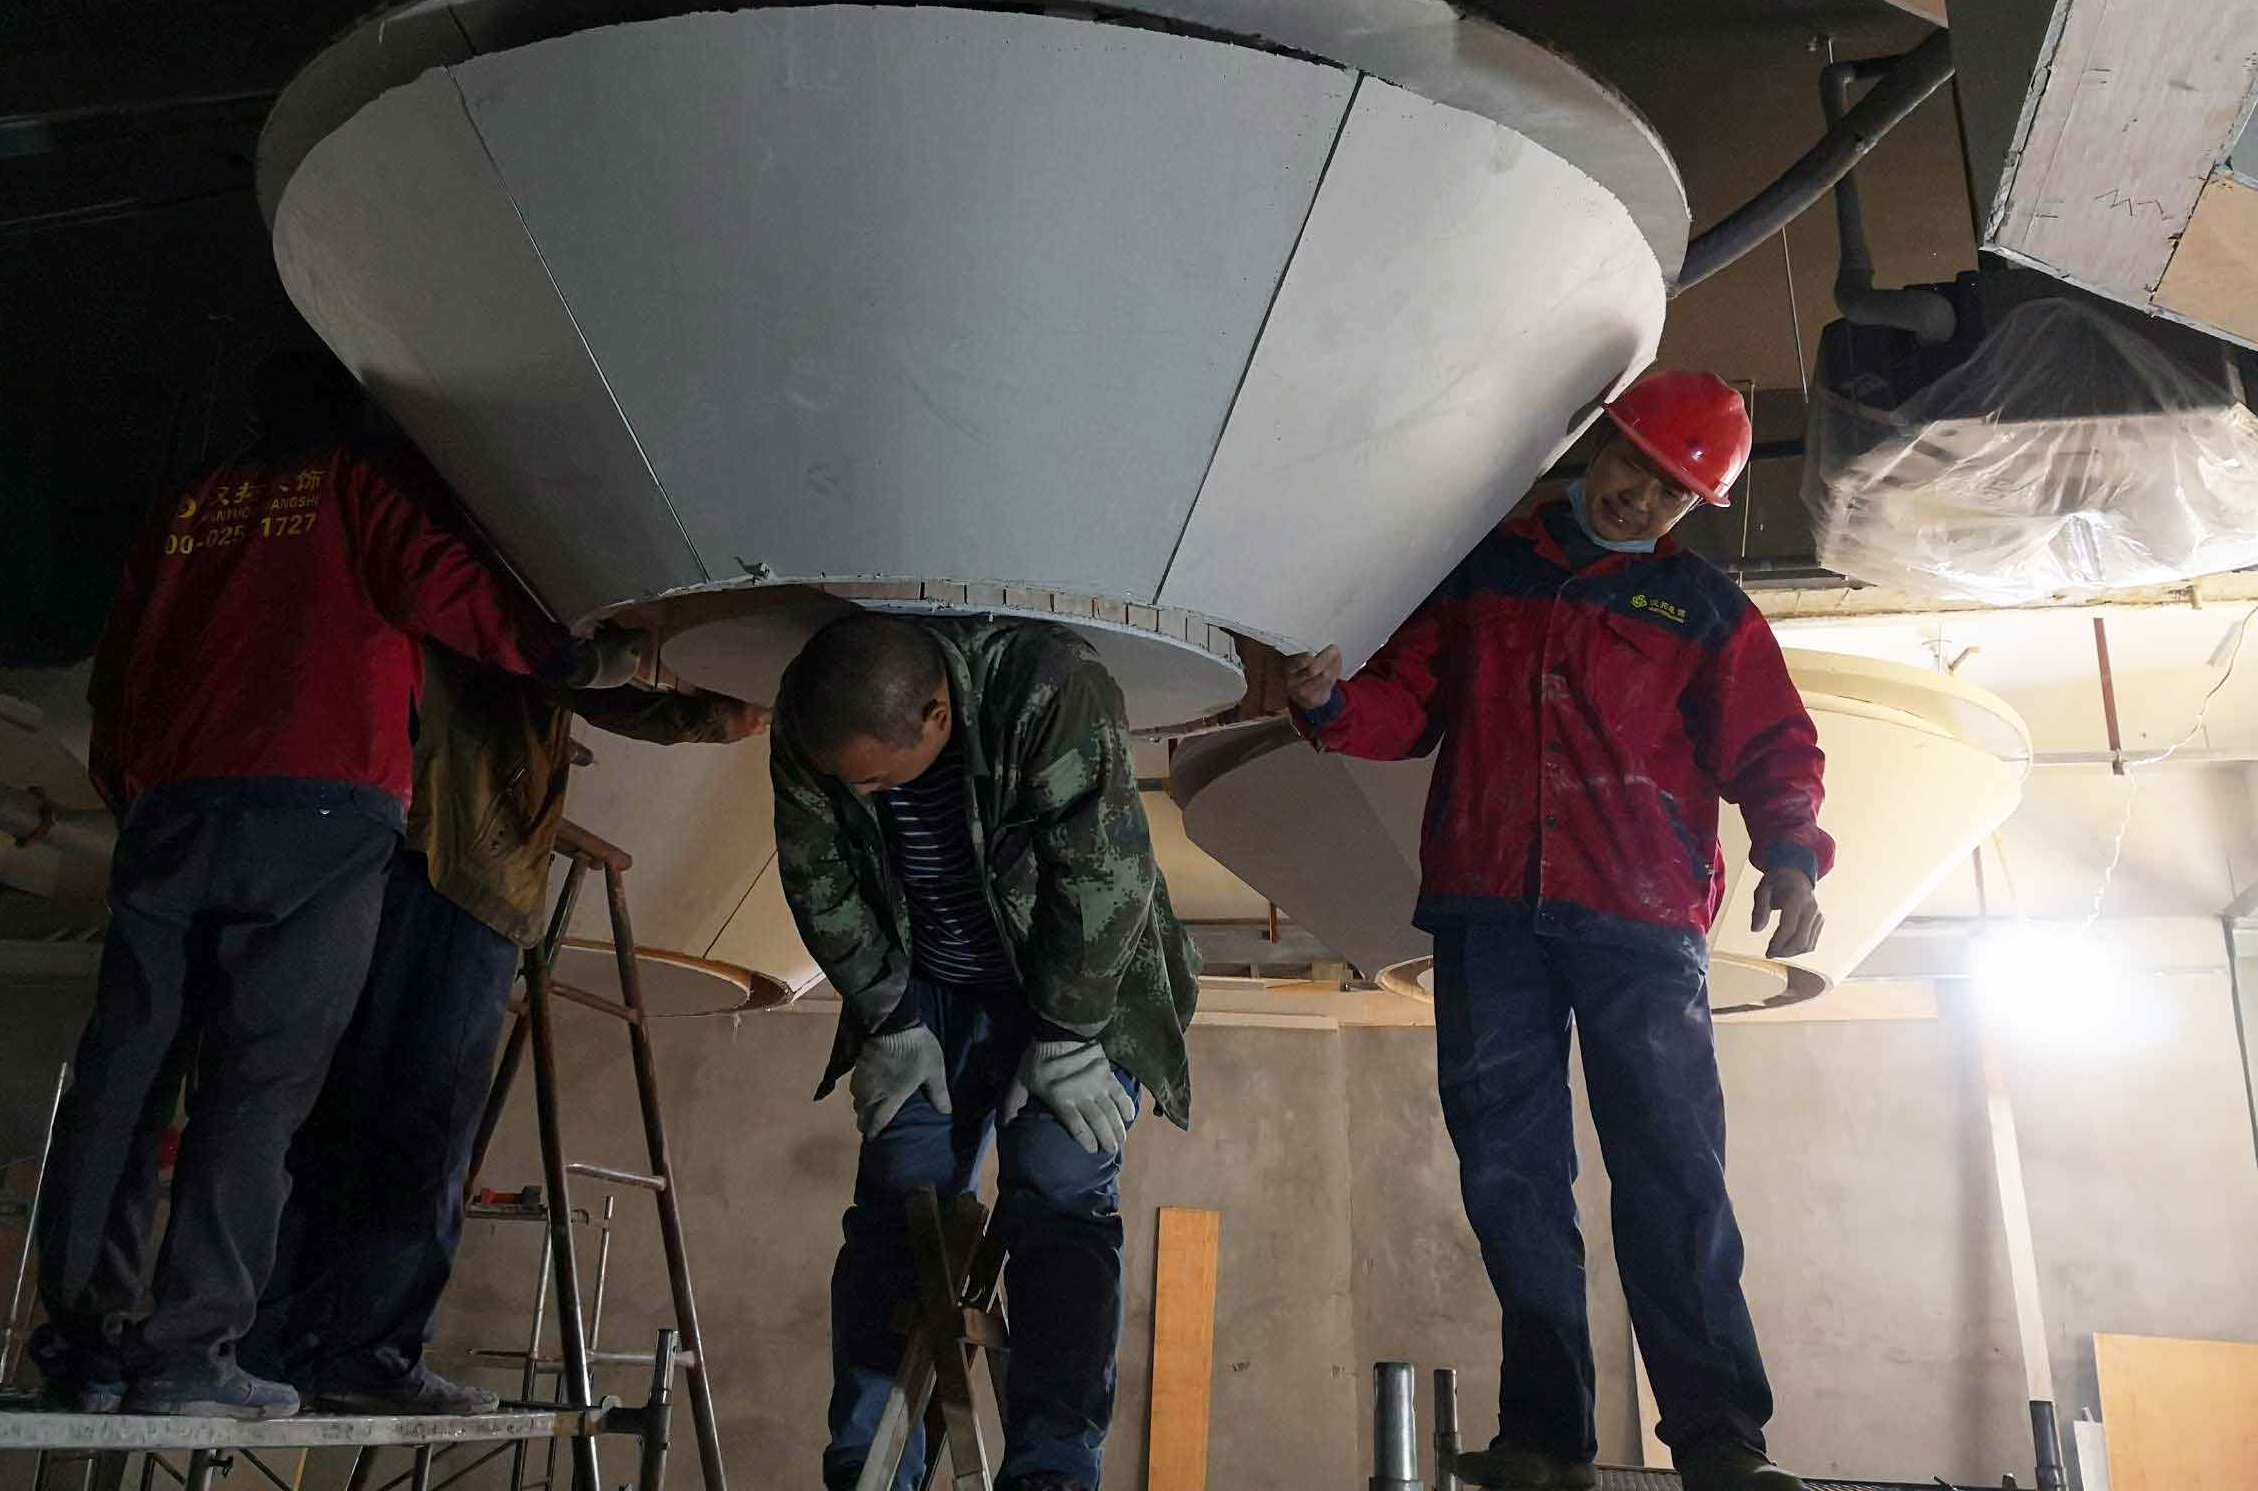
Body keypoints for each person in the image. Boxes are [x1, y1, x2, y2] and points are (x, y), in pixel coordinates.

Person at [31, 347, 643, 1420]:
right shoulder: (364, 482)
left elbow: (119, 661)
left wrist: (138, 791)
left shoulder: (197, 501)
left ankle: (83, 1346)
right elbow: (444, 589)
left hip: (173, 810)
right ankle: (188, 1351)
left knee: (126, 1073)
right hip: (318, 811)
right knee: (257, 1088)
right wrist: (582, 659)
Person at [1281, 370, 1830, 1491]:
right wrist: (1330, 704)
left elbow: (1773, 742)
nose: (1641, 499)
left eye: (1673, 494)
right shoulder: (1483, 572)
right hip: (1490, 913)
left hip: (1641, 923)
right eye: (1635, 467)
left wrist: (1790, 850)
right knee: (1509, 1178)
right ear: (1600, 443)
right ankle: (1544, 1438)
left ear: (1691, 511)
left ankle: (1721, 1440)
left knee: (1671, 1173)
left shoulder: (1705, 611)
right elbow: (1408, 704)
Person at [243, 641, 767, 1412]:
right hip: (460, 858)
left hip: (362, 832)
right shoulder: (514, 592)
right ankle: (368, 1358)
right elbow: (577, 670)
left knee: (329, 1106)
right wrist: (718, 713)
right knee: (427, 1119)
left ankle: (273, 1345)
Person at [773, 613, 1199, 1491]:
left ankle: (1052, 1471)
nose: (864, 797)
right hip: (926, 992)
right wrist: (888, 1016)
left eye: (879, 780)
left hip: (1072, 985)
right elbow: (816, 873)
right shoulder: (810, 717)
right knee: (898, 1202)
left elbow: (1106, 873)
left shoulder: (1051, 689)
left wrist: (1068, 1035)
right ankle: (867, 1469)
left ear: (936, 716)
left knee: (1059, 1187)